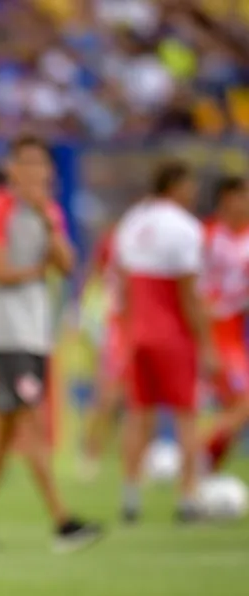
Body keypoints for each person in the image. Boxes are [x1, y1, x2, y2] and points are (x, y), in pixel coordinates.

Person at [0, 135, 102, 554]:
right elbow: (0, 271)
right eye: (28, 162)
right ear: (13, 168)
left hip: (35, 332)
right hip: (9, 333)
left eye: (41, 164)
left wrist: (49, 224)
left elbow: (67, 264)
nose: (36, 171)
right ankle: (63, 522)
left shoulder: (48, 211)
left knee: (7, 429)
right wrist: (39, 268)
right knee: (32, 420)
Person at [115, 160, 215, 522]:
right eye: (190, 185)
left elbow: (123, 283)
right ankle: (188, 496)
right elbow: (189, 295)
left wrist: (127, 330)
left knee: (139, 415)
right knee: (187, 416)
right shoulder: (186, 228)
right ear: (175, 185)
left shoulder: (132, 221)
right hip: (173, 334)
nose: (194, 192)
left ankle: (130, 495)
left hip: (138, 331)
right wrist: (206, 344)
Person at [200, 177, 249, 474]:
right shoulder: (207, 236)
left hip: (236, 330)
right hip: (215, 329)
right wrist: (206, 344)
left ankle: (206, 467)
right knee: (243, 404)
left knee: (235, 409)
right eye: (241, 197)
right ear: (225, 200)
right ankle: (198, 457)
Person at [77, 225, 127, 481]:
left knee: (131, 398)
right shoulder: (112, 242)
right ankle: (90, 453)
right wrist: (86, 315)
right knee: (106, 395)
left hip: (134, 326)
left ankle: (127, 457)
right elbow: (93, 276)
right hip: (112, 327)